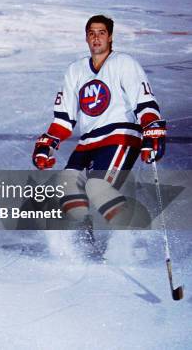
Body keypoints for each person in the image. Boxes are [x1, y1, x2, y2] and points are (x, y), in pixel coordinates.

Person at [32, 15, 166, 253]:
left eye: (101, 32)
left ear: (111, 36)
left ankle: (130, 237)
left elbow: (144, 103)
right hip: (88, 141)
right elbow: (64, 119)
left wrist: (152, 130)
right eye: (92, 33)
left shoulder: (124, 63)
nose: (96, 38)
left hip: (121, 137)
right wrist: (48, 142)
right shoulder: (75, 70)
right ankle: (84, 242)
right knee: (69, 187)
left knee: (96, 187)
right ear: (86, 37)